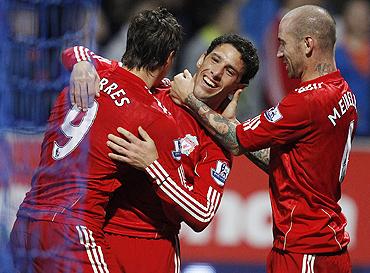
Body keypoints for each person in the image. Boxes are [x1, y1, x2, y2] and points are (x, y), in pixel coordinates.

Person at [169, 5, 357, 273]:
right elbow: (289, 163)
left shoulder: (306, 101)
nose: (279, 53)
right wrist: (234, 126)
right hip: (327, 246)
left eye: (283, 43)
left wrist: (189, 99)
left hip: (304, 249)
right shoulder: (342, 93)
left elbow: (235, 141)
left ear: (307, 44)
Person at [62, 33, 259, 273]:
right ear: (201, 59)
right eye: (215, 60)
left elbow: (202, 214)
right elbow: (80, 54)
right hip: (99, 232)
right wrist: (82, 65)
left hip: (153, 249)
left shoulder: (216, 145)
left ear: (238, 88)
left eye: (229, 71)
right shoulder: (153, 87)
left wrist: (153, 166)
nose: (216, 72)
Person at [9, 7, 183, 273]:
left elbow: (73, 51)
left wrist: (80, 62)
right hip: (72, 230)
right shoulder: (153, 116)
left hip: (25, 223)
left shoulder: (89, 71)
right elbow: (179, 204)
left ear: (130, 42)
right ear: (169, 58)